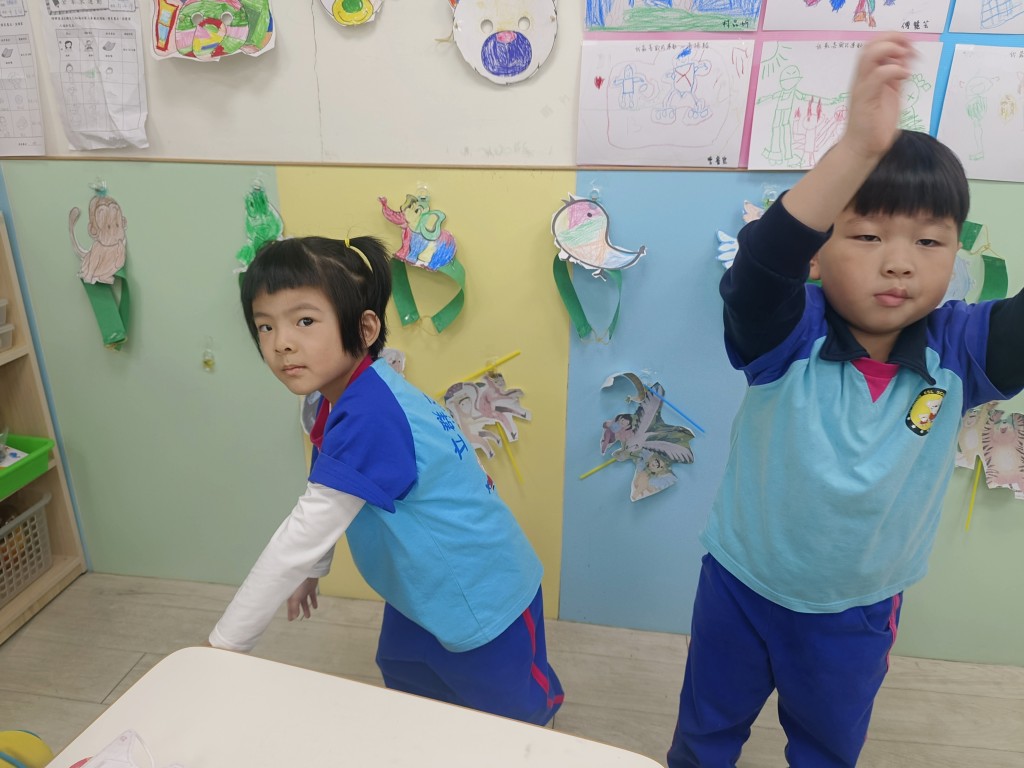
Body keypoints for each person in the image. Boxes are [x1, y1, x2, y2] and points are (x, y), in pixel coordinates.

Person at [668, 33, 1024, 767]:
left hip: (856, 614)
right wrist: (857, 149)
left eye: (929, 243)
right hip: (740, 586)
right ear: (817, 252)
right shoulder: (784, 332)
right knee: (704, 738)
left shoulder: (960, 350)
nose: (898, 263)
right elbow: (759, 266)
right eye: (865, 235)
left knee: (827, 750)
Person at [207, 235, 563, 726]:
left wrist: (222, 648)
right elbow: (326, 491)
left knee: (511, 717)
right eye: (265, 325)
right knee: (408, 681)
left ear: (365, 328)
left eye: (304, 321)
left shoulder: (371, 413)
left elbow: (301, 533)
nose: (281, 342)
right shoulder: (344, 398)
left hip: (482, 592)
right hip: (421, 585)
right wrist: (315, 567)